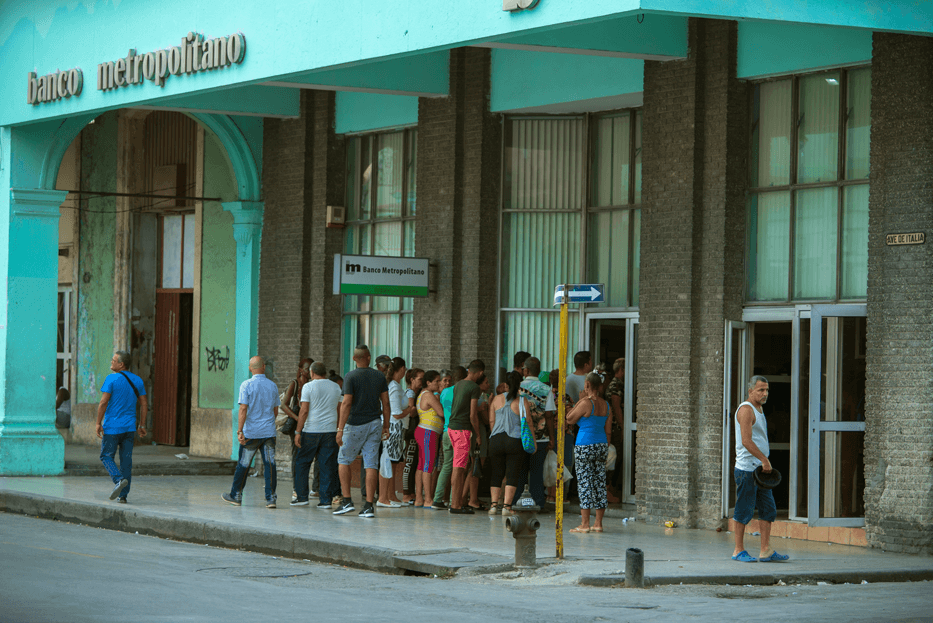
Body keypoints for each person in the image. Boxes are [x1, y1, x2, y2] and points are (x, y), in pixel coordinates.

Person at [732, 375, 789, 563]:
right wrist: (764, 460)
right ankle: (738, 550)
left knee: (768, 509)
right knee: (744, 509)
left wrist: (764, 463)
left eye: (767, 390)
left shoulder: (759, 409)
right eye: (761, 390)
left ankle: (766, 550)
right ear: (750, 391)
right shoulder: (746, 410)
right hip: (748, 470)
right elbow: (746, 441)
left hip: (761, 471)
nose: (765, 394)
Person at [334, 345, 390, 518]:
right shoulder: (379, 376)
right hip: (375, 423)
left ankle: (347, 501)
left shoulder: (350, 376)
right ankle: (368, 506)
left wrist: (340, 428)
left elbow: (347, 403)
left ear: (354, 358)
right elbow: (386, 403)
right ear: (368, 357)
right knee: (371, 463)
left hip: (355, 424)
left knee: (343, 460)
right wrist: (386, 425)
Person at [222, 356, 280, 508]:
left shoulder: (246, 385)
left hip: (251, 433)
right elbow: (275, 411)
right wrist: (266, 423)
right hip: (268, 432)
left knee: (244, 464)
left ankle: (236, 495)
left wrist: (240, 430)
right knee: (270, 464)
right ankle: (271, 499)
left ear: (250, 368)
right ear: (264, 367)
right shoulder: (273, 386)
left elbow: (243, 409)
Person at [96, 351, 147, 503]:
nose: (111, 362)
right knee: (126, 461)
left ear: (121, 364)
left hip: (112, 427)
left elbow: (103, 403)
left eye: (113, 360)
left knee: (106, 456)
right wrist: (142, 424)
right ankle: (123, 496)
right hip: (130, 428)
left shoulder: (111, 379)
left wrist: (98, 423)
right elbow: (144, 404)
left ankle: (118, 480)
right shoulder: (137, 380)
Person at [291, 362, 342, 509]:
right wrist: (339, 429)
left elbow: (304, 410)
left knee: (302, 463)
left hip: (311, 431)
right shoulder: (335, 387)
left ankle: (301, 497)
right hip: (330, 431)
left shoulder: (308, 386)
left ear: (312, 373)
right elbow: (339, 409)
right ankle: (325, 500)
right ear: (324, 372)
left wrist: (298, 431)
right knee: (327, 465)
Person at [566, 372, 612, 533]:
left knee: (585, 482)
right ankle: (598, 523)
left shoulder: (585, 402)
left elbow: (569, 418)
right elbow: (608, 430)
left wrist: (579, 400)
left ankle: (585, 524)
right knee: (600, 482)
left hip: (585, 444)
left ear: (586, 385)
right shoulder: (606, 405)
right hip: (601, 444)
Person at [487, 371, 534, 515]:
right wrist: (533, 442)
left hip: (496, 440)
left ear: (505, 384)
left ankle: (494, 506)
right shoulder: (522, 401)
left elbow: (491, 421)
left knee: (496, 473)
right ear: (519, 384)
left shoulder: (496, 399)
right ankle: (507, 507)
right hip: (514, 440)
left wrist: (494, 434)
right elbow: (529, 423)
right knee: (512, 474)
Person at [447, 359, 484, 514]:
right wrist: (478, 435)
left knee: (458, 466)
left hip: (451, 428)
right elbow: (472, 414)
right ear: (480, 372)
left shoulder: (459, 384)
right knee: (459, 468)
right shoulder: (474, 387)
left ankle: (456, 502)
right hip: (462, 430)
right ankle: (455, 505)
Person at [518, 356, 554, 509]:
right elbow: (549, 416)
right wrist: (552, 438)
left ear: (525, 370)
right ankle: (538, 502)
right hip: (541, 438)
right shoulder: (547, 389)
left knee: (520, 472)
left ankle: (517, 503)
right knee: (536, 473)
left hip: (520, 437)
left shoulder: (517, 386)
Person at [431, 366, 466, 510]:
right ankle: (454, 501)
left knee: (446, 466)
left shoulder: (444, 392)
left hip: (446, 431)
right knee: (458, 468)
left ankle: (437, 499)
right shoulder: (461, 391)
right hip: (458, 431)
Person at [279, 358, 313, 502]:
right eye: (306, 369)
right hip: (296, 425)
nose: (309, 372)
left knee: (306, 455)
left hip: (309, 424)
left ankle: (307, 488)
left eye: (311, 369)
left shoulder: (312, 384)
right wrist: (298, 418)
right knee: (296, 455)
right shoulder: (294, 384)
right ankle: (296, 488)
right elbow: (283, 405)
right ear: (300, 370)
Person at [378, 357, 408, 508]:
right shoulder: (394, 387)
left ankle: (390, 494)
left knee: (393, 461)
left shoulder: (394, 385)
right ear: (401, 369)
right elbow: (396, 413)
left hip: (395, 428)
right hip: (393, 427)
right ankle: (383, 496)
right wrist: (410, 409)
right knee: (387, 460)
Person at [414, 370, 445, 507]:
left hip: (424, 431)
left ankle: (419, 498)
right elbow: (441, 412)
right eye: (437, 381)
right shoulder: (428, 395)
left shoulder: (423, 395)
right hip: (428, 432)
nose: (439, 383)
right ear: (428, 383)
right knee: (428, 465)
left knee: (422, 465)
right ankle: (428, 499)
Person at [401, 367, 424, 504]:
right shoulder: (410, 392)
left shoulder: (416, 393)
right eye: (420, 379)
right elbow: (411, 411)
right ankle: (406, 493)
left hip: (415, 431)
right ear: (412, 379)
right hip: (411, 432)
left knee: (414, 462)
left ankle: (411, 492)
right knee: (409, 462)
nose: (422, 382)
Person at [605, 358, 626, 501]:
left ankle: (611, 488)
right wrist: (624, 427)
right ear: (622, 369)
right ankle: (609, 489)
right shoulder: (616, 384)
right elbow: (616, 407)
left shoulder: (617, 383)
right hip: (615, 427)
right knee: (615, 457)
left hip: (615, 426)